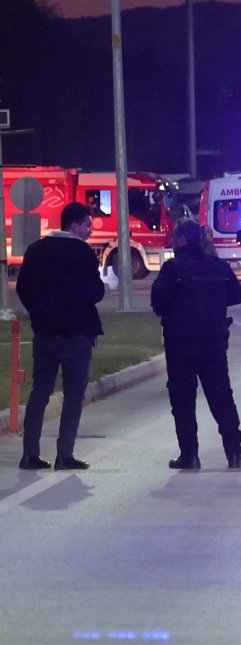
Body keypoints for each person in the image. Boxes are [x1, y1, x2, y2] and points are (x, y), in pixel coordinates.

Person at [16, 201, 108, 471]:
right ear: (75, 225)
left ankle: (29, 454)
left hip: (45, 333)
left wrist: (39, 313)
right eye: (88, 226)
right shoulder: (82, 253)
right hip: (76, 334)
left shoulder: (36, 250)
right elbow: (95, 292)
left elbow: (23, 288)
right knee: (73, 395)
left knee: (39, 393)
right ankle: (64, 455)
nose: (90, 232)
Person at [150, 219, 241, 471]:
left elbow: (158, 300)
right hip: (214, 342)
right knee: (221, 396)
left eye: (175, 237)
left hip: (180, 343)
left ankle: (190, 455)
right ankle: (234, 452)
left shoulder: (173, 269)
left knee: (182, 400)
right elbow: (237, 295)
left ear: (182, 240)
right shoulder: (218, 266)